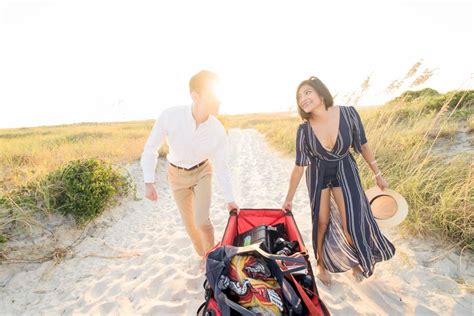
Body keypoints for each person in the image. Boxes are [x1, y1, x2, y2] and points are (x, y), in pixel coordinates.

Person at [282, 76, 395, 287]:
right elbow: (299, 166)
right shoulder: (304, 130)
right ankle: (321, 264)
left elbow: (363, 145)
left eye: (307, 92)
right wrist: (288, 199)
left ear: (320, 92)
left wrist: (377, 174)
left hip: (345, 170)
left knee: (350, 222)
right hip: (319, 173)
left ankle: (354, 261)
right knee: (322, 221)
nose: (303, 98)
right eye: (299, 97)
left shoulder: (348, 113)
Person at [140, 70, 239, 258]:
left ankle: (212, 257)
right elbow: (151, 148)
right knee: (190, 225)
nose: (219, 101)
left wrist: (230, 199)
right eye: (213, 95)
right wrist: (148, 181)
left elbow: (221, 166)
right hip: (176, 176)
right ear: (195, 96)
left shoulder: (217, 129)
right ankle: (203, 255)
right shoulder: (170, 116)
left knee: (202, 220)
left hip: (202, 171)